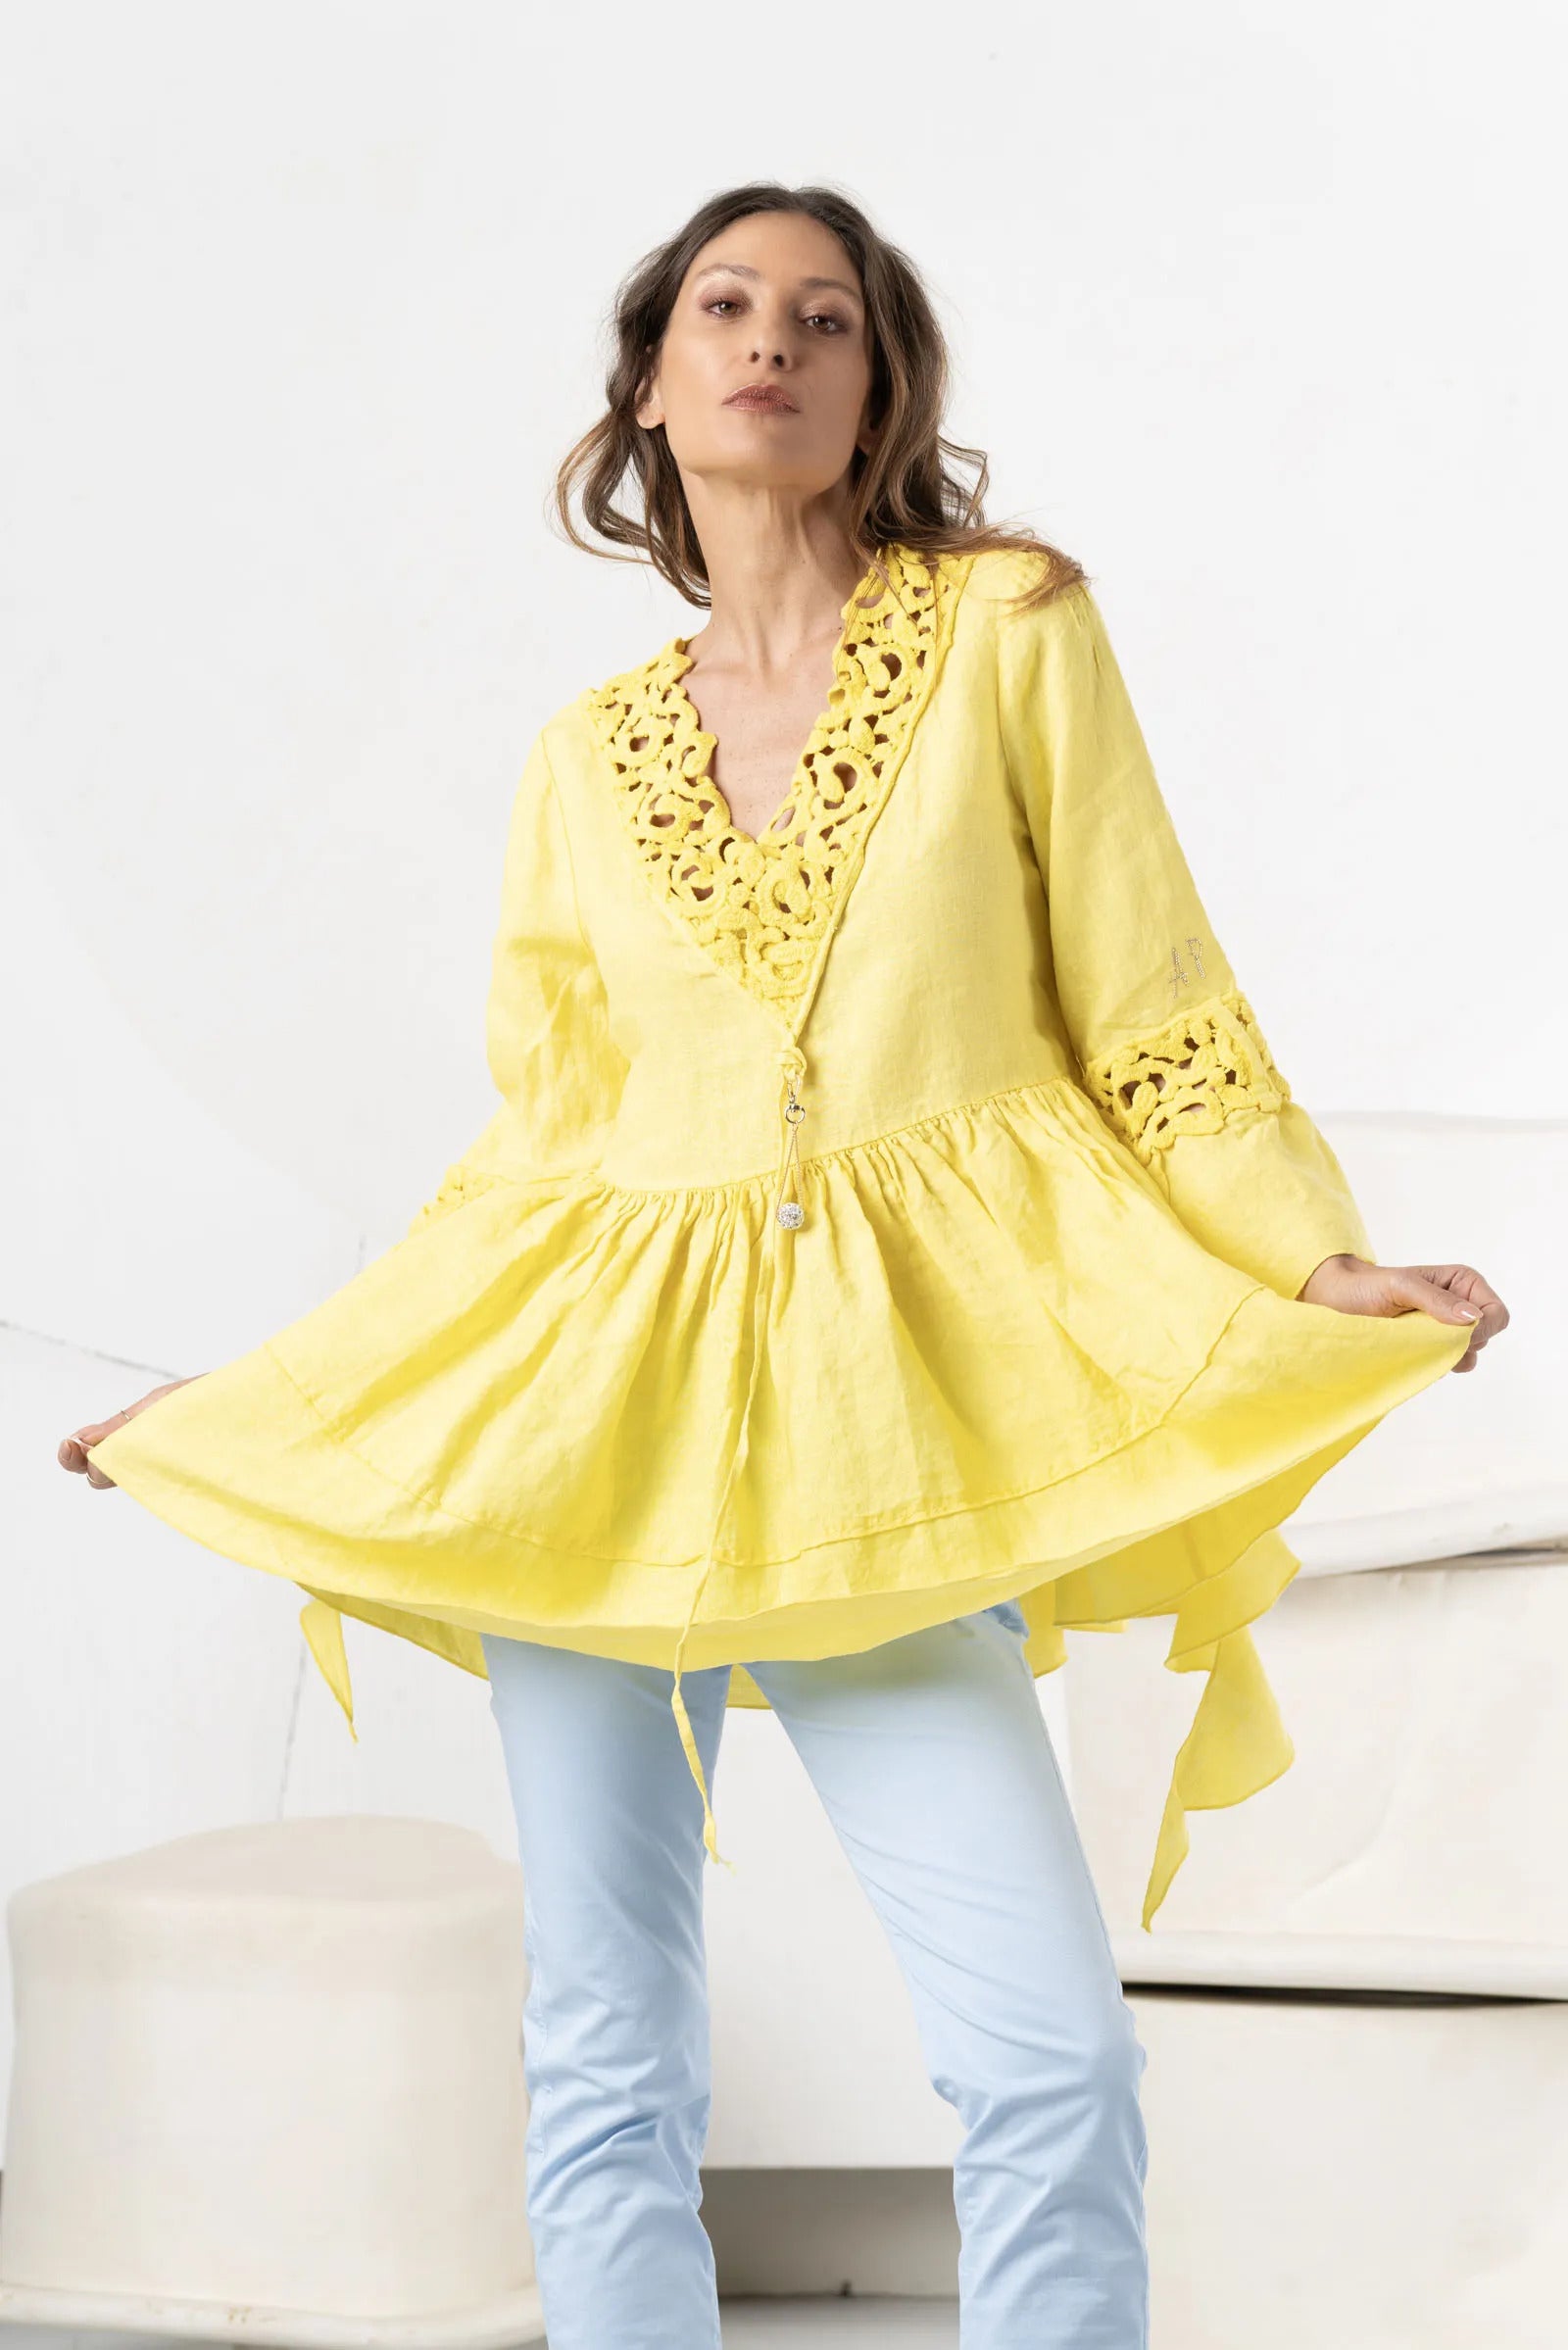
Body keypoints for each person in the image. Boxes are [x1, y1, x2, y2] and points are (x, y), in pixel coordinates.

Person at [59, 181, 1506, 2347]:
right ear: (650, 385)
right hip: (588, 1453)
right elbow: (534, 1166)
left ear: (876, 387)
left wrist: (1312, 1261)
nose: (773, 342)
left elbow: (1155, 1012)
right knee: (605, 2058)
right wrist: (269, 1403)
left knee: (1048, 2053)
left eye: (828, 319)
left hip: (875, 1436)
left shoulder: (1008, 627)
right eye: (727, 307)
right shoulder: (581, 760)